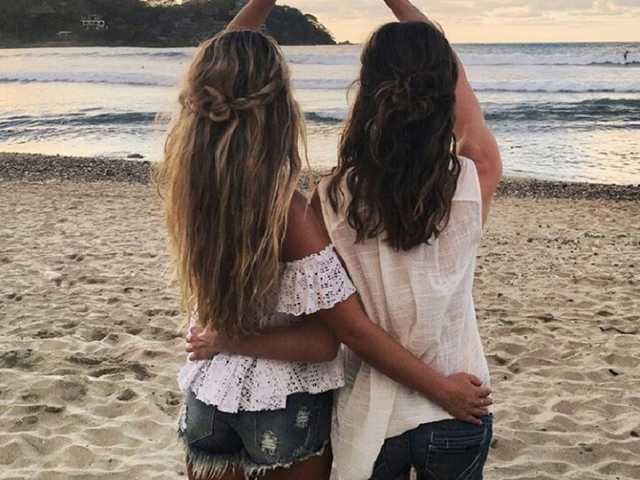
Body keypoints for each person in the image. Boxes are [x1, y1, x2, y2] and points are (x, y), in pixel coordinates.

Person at [161, 0, 492, 479]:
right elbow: (335, 334)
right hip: (401, 399)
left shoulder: (315, 197)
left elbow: (211, 87)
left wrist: (262, 4)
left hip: (260, 400)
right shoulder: (470, 180)